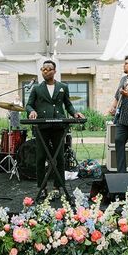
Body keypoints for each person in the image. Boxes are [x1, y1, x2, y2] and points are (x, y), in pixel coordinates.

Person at [26, 60, 84, 197]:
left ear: (54, 71)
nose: (45, 71)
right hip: (42, 127)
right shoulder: (36, 88)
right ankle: (42, 187)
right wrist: (31, 111)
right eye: (43, 69)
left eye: (48, 69)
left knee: (59, 157)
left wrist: (75, 113)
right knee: (41, 157)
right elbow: (29, 105)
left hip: (59, 126)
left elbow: (68, 105)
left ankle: (58, 187)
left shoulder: (63, 86)